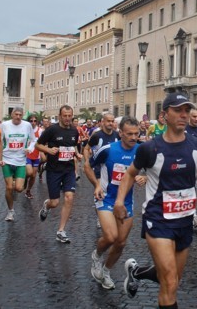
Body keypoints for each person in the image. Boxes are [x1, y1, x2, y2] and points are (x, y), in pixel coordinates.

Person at [113, 92, 197, 308]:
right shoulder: (150, 148)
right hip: (158, 219)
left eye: (187, 110)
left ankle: (136, 272)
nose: (184, 115)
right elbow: (130, 174)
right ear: (164, 115)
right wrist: (119, 201)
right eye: (178, 110)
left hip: (185, 220)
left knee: (172, 280)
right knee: (170, 282)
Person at [85, 116, 145, 290]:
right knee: (110, 237)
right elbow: (87, 166)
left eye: (137, 133)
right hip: (105, 198)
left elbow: (151, 172)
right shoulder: (108, 149)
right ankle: (96, 256)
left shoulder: (142, 151)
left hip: (126, 201)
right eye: (129, 134)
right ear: (121, 133)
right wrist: (96, 185)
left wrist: (144, 177)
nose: (134, 137)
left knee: (120, 242)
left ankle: (106, 271)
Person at [36, 105, 82, 243]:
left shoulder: (74, 131)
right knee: (55, 202)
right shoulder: (52, 130)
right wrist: (48, 150)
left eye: (70, 116)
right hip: (54, 170)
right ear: (60, 116)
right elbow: (38, 145)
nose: (67, 118)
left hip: (68, 170)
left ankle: (61, 231)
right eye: (65, 116)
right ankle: (46, 205)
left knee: (69, 198)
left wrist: (77, 154)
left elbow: (73, 145)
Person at [0, 107, 36, 221]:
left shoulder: (27, 125)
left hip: (20, 160)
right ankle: (10, 211)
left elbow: (33, 140)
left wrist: (29, 148)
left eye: (20, 114)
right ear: (12, 115)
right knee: (9, 187)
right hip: (7, 159)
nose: (18, 116)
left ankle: (16, 187)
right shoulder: (4, 125)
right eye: (16, 114)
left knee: (19, 189)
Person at [25, 116, 43, 199]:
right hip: (26, 155)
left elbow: (42, 142)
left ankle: (28, 190)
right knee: (29, 172)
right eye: (31, 121)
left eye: (35, 121)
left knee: (33, 175)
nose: (33, 122)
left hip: (36, 155)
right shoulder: (24, 130)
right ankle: (25, 179)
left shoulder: (40, 131)